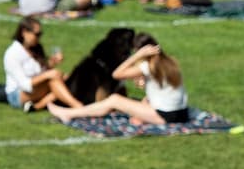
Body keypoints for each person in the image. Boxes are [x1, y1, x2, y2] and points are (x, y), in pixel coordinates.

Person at [48, 37, 189, 125]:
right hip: (181, 113)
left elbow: (116, 74)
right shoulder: (170, 62)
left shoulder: (147, 66)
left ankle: (68, 113)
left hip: (167, 116)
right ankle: (142, 118)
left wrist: (137, 56)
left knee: (115, 99)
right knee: (142, 101)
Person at [2, 17, 81, 112]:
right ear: (24, 32)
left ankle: (36, 107)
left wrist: (52, 63)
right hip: (17, 94)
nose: (39, 38)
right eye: (37, 34)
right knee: (55, 81)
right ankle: (78, 106)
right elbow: (25, 84)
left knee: (65, 79)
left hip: (36, 88)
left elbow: (41, 70)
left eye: (40, 34)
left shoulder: (36, 48)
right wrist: (47, 75)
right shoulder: (12, 54)